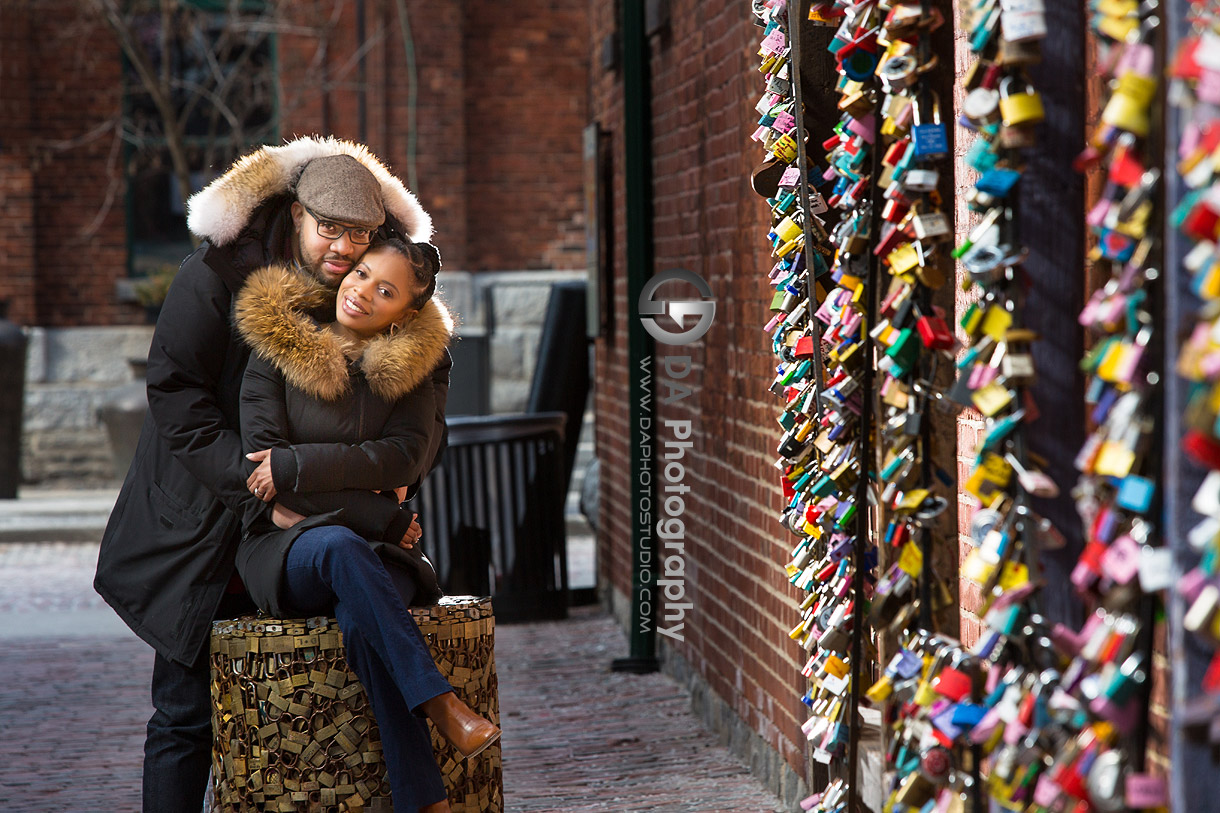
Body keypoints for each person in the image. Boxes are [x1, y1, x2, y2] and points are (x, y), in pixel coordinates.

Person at [94, 137, 448, 813]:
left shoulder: (384, 282)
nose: (344, 248)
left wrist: (402, 478)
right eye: (329, 229)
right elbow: (174, 390)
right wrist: (259, 488)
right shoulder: (215, 276)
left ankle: (418, 790)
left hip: (314, 524)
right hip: (203, 521)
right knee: (184, 713)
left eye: (361, 233)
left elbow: (424, 408)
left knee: (337, 677)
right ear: (294, 215)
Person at [234, 239, 499, 812]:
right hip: (287, 549)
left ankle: (424, 802)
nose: (360, 292)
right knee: (336, 546)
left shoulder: (412, 366)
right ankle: (440, 705)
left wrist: (299, 467)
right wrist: (380, 511)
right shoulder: (274, 346)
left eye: (385, 290)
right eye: (360, 273)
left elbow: (404, 456)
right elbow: (262, 463)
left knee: (362, 622)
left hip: (383, 557)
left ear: (405, 313)